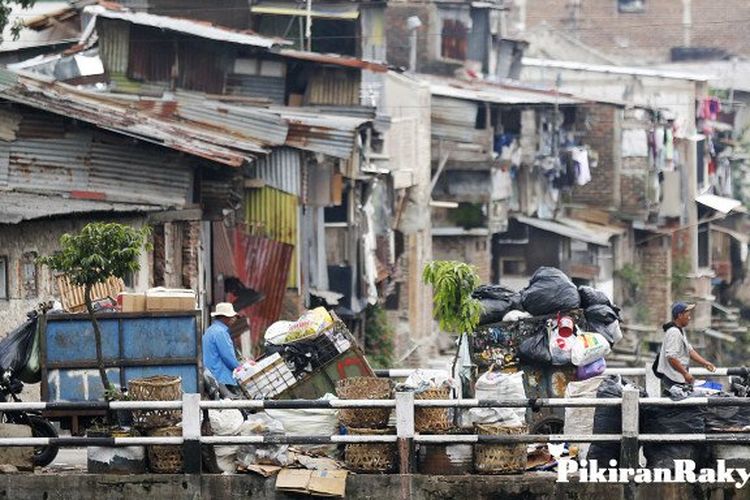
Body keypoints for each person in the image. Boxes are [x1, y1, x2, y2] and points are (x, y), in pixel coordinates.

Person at [655, 302, 716, 395]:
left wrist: (705, 363)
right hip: (672, 378)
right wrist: (685, 373)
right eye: (687, 315)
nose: (689, 317)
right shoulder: (674, 333)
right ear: (680, 315)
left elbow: (690, 350)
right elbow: (671, 357)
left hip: (678, 377)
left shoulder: (680, 330)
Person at [203, 302, 241, 396]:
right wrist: (241, 369)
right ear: (225, 317)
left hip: (212, 378)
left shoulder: (210, 331)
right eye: (231, 317)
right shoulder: (220, 333)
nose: (233, 319)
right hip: (222, 379)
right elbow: (228, 357)